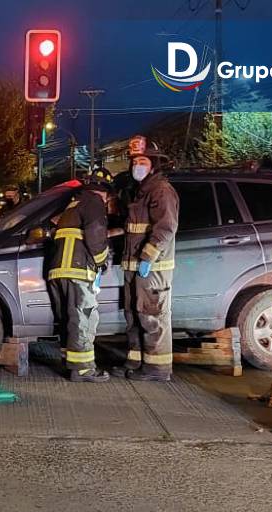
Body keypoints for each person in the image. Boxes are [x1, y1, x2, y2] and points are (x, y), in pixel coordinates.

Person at [114, 135, 179, 382]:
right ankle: (135, 361)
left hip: (152, 268)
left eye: (141, 161)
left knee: (152, 316)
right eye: (134, 162)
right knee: (133, 315)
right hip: (134, 267)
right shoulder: (139, 191)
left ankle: (157, 369)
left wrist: (148, 257)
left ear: (153, 163)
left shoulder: (161, 191)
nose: (136, 166)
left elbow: (165, 227)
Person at [47, 181, 112, 382]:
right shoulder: (94, 202)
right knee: (84, 318)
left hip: (58, 270)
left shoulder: (73, 204)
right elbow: (96, 234)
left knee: (69, 320)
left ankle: (70, 363)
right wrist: (102, 261)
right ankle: (83, 369)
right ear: (104, 194)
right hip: (77, 271)